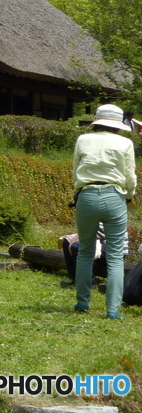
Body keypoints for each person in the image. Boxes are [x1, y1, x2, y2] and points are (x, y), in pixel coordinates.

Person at [71, 104, 135, 319]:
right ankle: (112, 310)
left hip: (86, 195)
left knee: (86, 251)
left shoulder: (83, 139)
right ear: (118, 125)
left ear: (97, 121)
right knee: (116, 256)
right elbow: (130, 176)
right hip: (114, 195)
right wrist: (128, 196)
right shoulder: (125, 142)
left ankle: (82, 302)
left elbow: (75, 170)